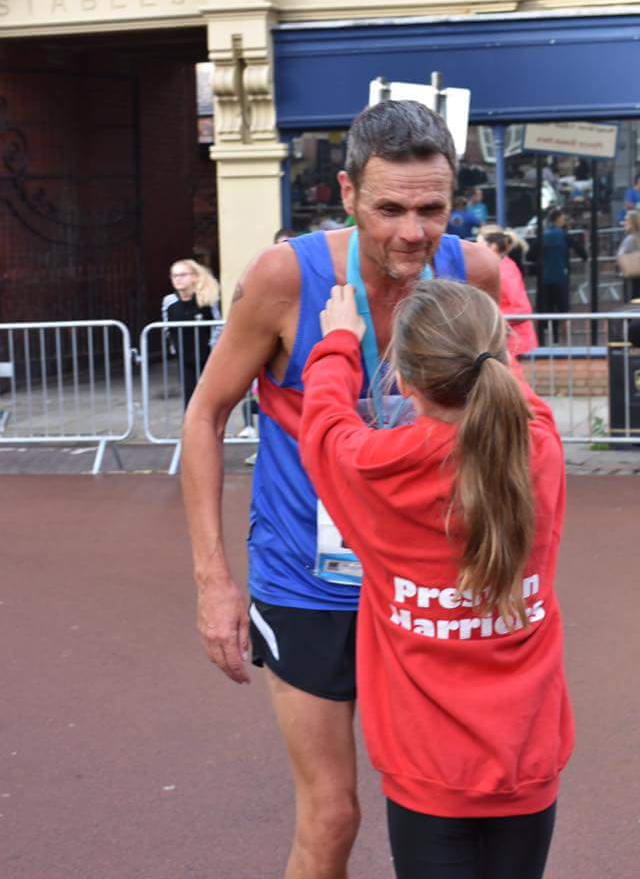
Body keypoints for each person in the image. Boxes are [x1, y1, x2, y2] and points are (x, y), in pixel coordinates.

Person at [181, 99, 500, 879]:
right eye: (389, 207)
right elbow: (205, 415)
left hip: (424, 587)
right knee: (331, 816)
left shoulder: (475, 273)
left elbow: (504, 433)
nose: (412, 233)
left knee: (448, 805)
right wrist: (213, 581)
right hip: (307, 581)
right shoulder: (288, 276)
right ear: (349, 194)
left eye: (432, 208)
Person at [298, 280, 573, 879]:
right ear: (499, 360)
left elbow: (321, 426)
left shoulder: (374, 469)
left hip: (426, 766)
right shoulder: (541, 447)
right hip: (527, 753)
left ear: (403, 378)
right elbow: (508, 388)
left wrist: (340, 342)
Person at [162, 259, 221, 409]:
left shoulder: (206, 299)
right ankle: (191, 429)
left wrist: (213, 347)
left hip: (206, 356)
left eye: (182, 275)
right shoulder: (169, 301)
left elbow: (218, 325)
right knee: (189, 397)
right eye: (174, 276)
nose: (178, 279)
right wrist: (174, 347)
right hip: (184, 357)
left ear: (194, 277)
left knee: (208, 398)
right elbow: (167, 327)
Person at [528, 208, 587, 344]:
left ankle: (542, 342)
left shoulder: (542, 236)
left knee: (545, 311)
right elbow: (580, 250)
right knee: (563, 311)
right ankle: (563, 342)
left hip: (544, 279)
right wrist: (584, 257)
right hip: (561, 277)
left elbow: (530, 255)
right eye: (563, 219)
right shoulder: (563, 235)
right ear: (558, 219)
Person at [480, 228, 538, 357]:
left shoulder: (505, 271)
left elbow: (522, 308)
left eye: (480, 244)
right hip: (507, 338)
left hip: (512, 340)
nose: (476, 248)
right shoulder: (502, 266)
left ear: (493, 247)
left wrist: (492, 318)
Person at [616, 210, 640, 301]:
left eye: (626, 220)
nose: (624, 223)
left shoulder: (630, 239)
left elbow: (621, 255)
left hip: (632, 277)